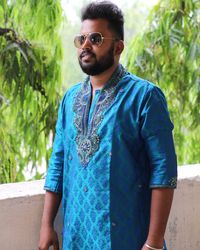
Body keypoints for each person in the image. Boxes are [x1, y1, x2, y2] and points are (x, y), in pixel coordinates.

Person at [38, 1, 177, 250]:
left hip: (129, 239)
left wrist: (154, 243)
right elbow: (57, 164)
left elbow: (163, 171)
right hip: (76, 238)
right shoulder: (70, 100)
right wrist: (46, 225)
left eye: (96, 38)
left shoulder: (144, 97)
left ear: (118, 47)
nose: (85, 45)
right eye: (81, 39)